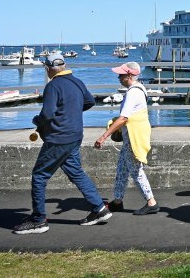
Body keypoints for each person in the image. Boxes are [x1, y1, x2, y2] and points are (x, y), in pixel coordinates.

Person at [13, 53, 111, 234]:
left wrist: (37, 120)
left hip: (58, 138)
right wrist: (70, 111)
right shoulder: (77, 82)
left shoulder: (53, 86)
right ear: (64, 66)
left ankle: (39, 220)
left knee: (39, 176)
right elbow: (90, 101)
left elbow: (48, 114)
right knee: (76, 172)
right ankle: (99, 209)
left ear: (48, 68)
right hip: (74, 136)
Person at [94, 62, 159, 215]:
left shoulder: (132, 93)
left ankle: (151, 202)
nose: (118, 77)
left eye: (121, 75)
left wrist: (104, 136)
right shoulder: (140, 88)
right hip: (134, 134)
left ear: (129, 75)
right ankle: (117, 201)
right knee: (122, 168)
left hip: (133, 136)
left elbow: (124, 118)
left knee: (136, 170)